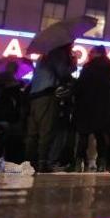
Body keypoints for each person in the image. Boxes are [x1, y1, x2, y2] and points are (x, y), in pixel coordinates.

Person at [26, 43, 76, 172]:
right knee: (46, 130)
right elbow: (63, 72)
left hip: (35, 95)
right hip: (46, 95)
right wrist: (73, 64)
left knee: (33, 132)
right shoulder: (58, 53)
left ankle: (30, 162)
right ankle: (43, 162)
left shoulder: (45, 54)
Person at [73, 46, 110, 171]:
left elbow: (81, 85)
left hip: (87, 106)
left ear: (97, 53)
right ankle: (102, 162)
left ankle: (79, 161)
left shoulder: (89, 67)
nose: (89, 54)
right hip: (103, 108)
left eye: (91, 52)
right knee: (101, 136)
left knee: (84, 135)